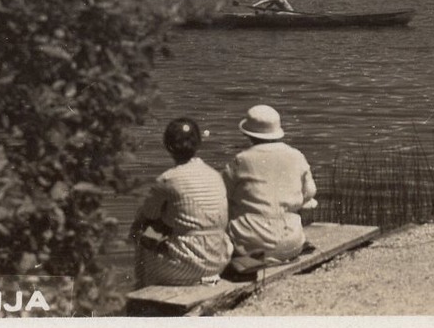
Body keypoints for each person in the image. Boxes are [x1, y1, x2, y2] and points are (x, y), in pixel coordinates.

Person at [131, 117, 233, 287]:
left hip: (187, 267)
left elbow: (146, 216)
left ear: (168, 146)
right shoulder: (215, 175)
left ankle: (140, 296)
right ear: (198, 144)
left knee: (140, 233)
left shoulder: (168, 179)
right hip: (218, 260)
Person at [223, 104, 317, 266]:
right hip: (292, 242)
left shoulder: (241, 160)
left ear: (249, 134)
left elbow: (221, 194)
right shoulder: (296, 155)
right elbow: (310, 192)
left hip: (250, 243)